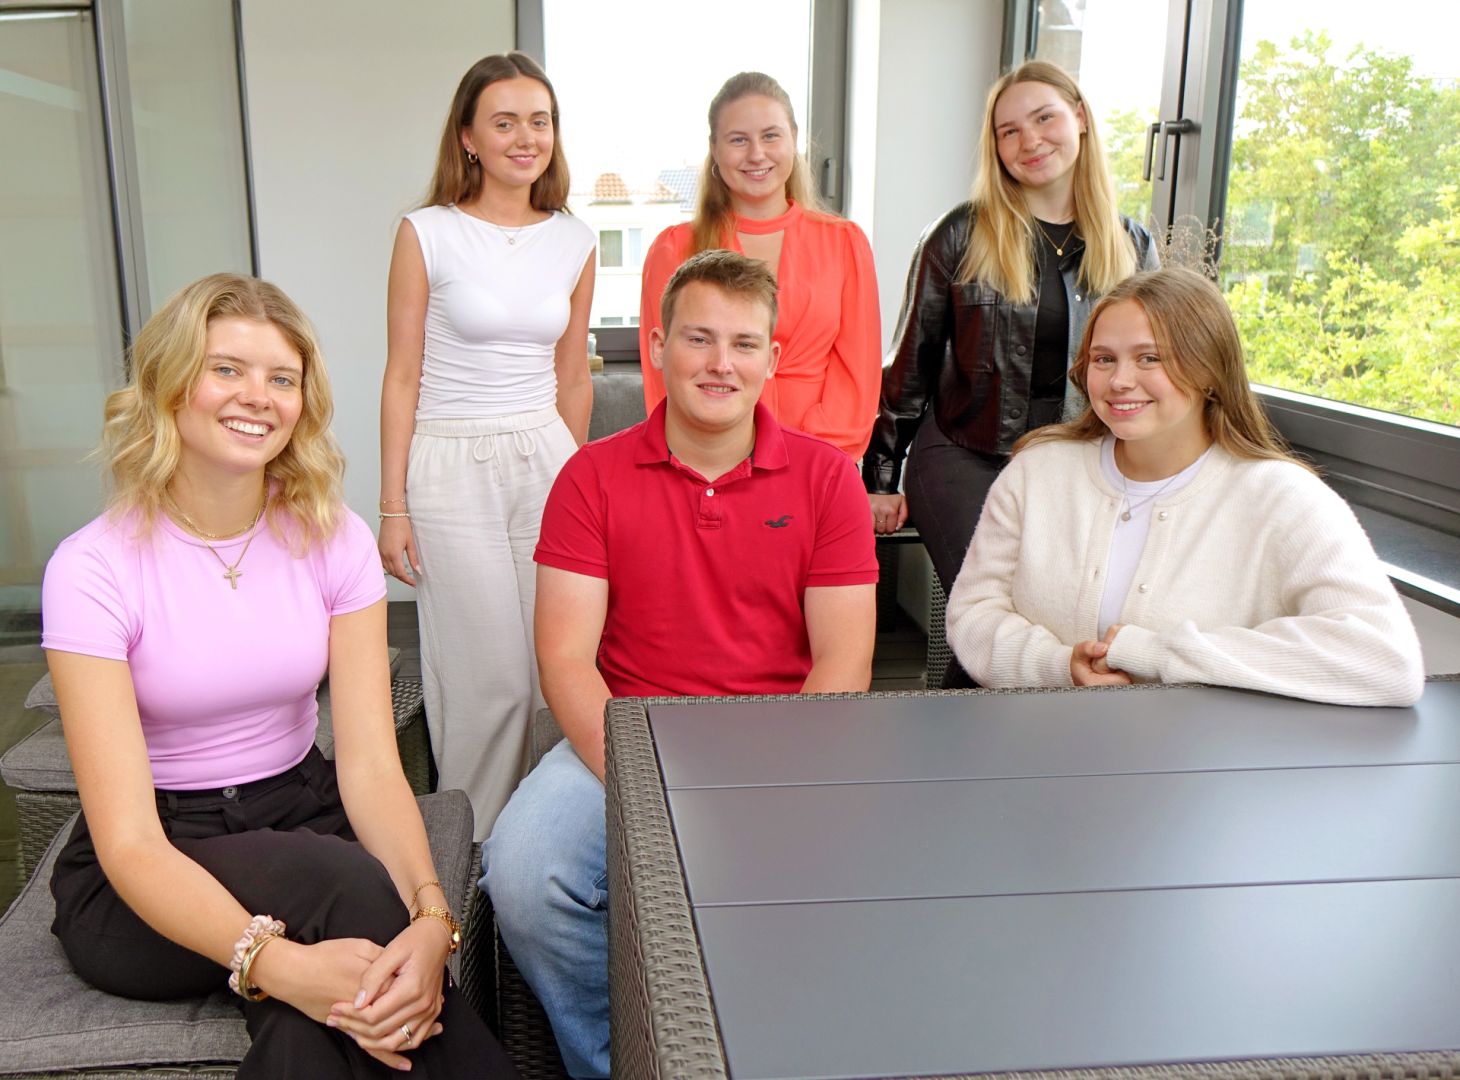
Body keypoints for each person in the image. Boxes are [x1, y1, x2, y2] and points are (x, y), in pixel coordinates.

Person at [41, 273, 518, 1078]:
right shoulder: (92, 568)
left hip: (300, 812)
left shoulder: (334, 538)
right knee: (346, 893)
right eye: (226, 368)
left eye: (282, 378)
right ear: (170, 383)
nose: (256, 396)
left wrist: (432, 915)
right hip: (148, 865)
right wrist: (281, 965)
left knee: (314, 1012)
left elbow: (371, 765)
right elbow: (129, 842)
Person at [484, 250, 879, 1077]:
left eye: (743, 344)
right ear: (659, 347)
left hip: (784, 746)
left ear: (772, 358)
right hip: (626, 739)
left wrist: (766, 791)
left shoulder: (827, 479)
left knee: (851, 890)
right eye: (699, 339)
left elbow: (843, 661)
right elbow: (565, 658)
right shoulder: (590, 476)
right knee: (522, 875)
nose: (720, 363)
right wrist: (648, 786)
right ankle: (621, 1064)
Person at [945, 267, 1425, 706]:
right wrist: (1056, 667)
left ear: (1209, 371)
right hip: (1038, 746)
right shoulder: (1035, 472)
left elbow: (1385, 658)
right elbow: (973, 613)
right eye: (1104, 358)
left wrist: (1154, 654)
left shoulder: (1285, 498)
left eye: (1149, 358)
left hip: (1203, 763)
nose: (1120, 380)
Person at [378, 52, 596, 840]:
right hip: (450, 464)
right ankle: (470, 849)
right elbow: (402, 375)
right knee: (485, 678)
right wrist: (393, 507)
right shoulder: (427, 233)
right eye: (504, 122)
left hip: (547, 459)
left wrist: (580, 489)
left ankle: (544, 839)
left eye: (539, 121)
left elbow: (573, 377)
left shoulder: (574, 238)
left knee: (553, 663)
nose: (525, 137)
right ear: (468, 137)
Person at [864, 61, 1158, 627]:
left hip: (1078, 463)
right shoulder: (958, 235)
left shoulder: (1132, 245)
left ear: (1080, 118)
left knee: (1051, 624)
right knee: (994, 617)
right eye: (1009, 131)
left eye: (1044, 118)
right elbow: (909, 367)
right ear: (996, 147)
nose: (1030, 141)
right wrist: (879, 480)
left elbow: (1157, 368)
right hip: (964, 455)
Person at [638, 71, 881, 459]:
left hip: (821, 458)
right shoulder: (674, 248)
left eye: (770, 136)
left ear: (794, 139)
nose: (756, 154)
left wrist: (814, 460)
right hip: (709, 460)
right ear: (715, 149)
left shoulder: (845, 243)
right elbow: (663, 381)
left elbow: (858, 376)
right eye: (738, 140)